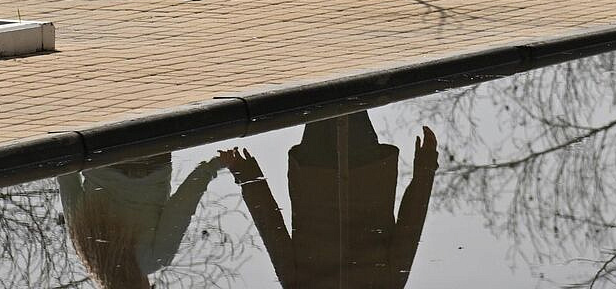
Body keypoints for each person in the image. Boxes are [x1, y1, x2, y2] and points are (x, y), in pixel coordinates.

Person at [219, 113, 438, 289]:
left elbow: (273, 233)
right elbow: (410, 226)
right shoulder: (389, 284)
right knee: (349, 95)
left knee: (322, 100)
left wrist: (248, 177)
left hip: (316, 173)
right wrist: (425, 169)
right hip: (364, 171)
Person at [59, 154, 221, 289]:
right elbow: (67, 178)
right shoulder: (87, 248)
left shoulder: (155, 260)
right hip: (101, 158)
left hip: (152, 162)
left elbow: (181, 206)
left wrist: (212, 167)